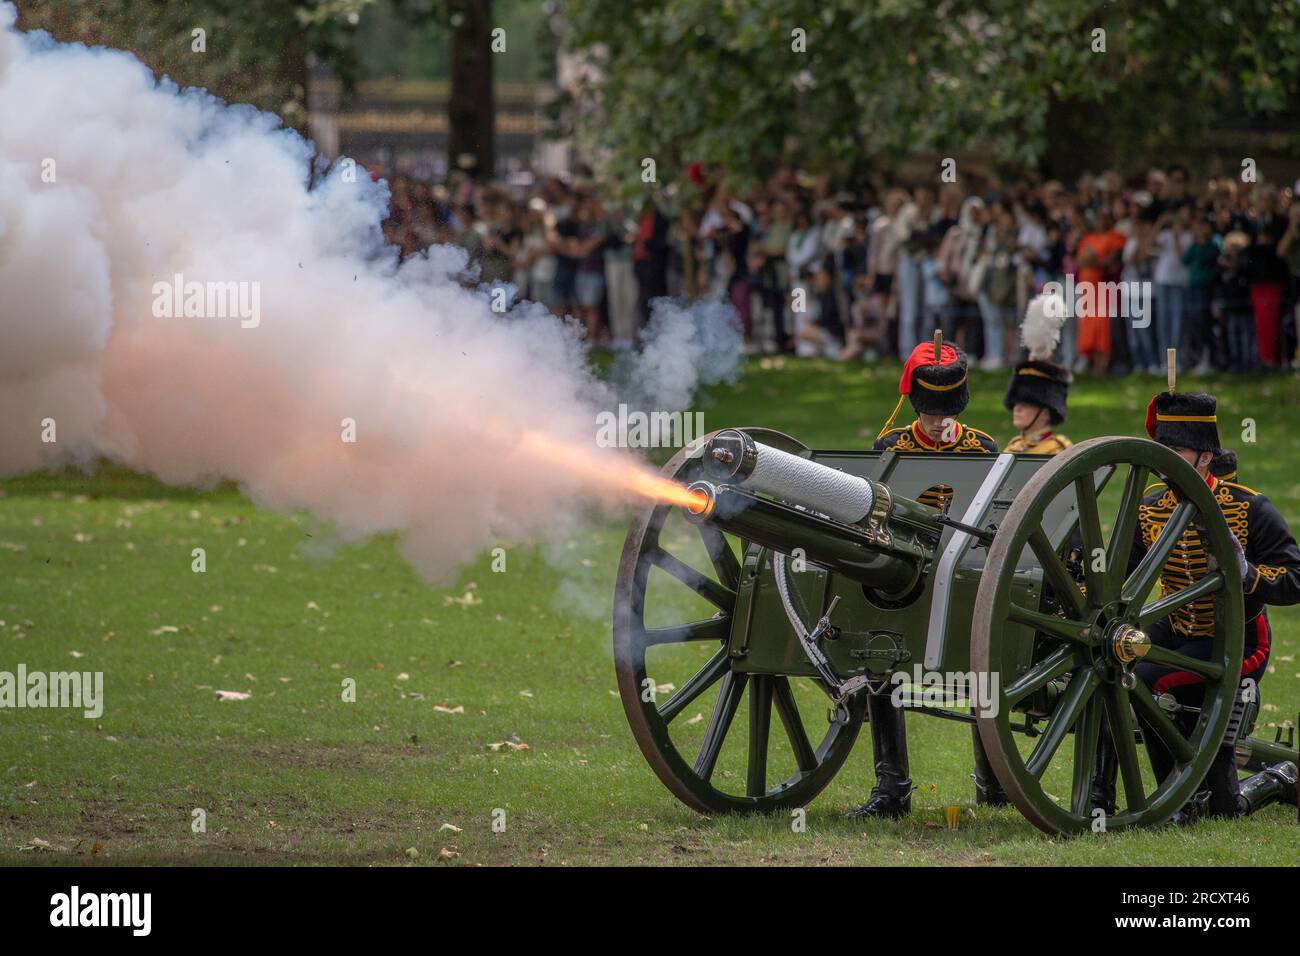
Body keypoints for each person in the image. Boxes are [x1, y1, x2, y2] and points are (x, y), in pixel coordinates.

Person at [1093, 392, 1300, 822]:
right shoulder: (1150, 504)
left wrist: (1250, 576)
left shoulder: (1247, 505)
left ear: (1205, 456)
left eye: (1175, 451)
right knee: (1115, 670)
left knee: (1148, 683)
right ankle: (1138, 798)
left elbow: (1294, 578)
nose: (1164, 459)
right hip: (1175, 627)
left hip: (1239, 638)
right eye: (1161, 450)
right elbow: (1120, 571)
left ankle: (1275, 777)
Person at [848, 340, 998, 819]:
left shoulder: (982, 448)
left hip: (963, 573)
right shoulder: (891, 447)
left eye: (947, 410)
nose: (939, 420)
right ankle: (891, 789)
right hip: (903, 574)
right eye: (930, 410)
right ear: (917, 406)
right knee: (882, 667)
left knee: (982, 671)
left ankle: (993, 785)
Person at [1002, 293, 1073, 455]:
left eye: (1026, 404)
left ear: (1045, 413)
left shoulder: (1059, 450)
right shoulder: (1013, 447)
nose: (1017, 409)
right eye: (1017, 403)